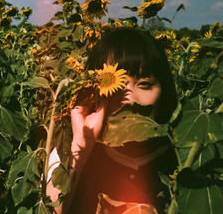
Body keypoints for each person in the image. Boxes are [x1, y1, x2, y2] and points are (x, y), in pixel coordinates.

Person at [47, 28, 178, 214]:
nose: (130, 100)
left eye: (145, 85)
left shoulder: (181, 156)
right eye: (115, 85)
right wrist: (81, 147)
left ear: (164, 90)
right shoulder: (68, 152)